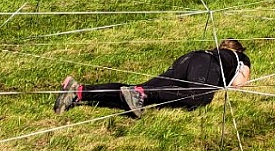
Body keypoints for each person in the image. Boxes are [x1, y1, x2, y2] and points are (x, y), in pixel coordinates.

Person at [54, 38, 251, 118]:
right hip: (204, 65)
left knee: (136, 90)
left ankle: (79, 91)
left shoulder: (211, 52)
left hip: (186, 61)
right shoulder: (239, 57)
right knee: (200, 96)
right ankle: (141, 94)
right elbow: (239, 84)